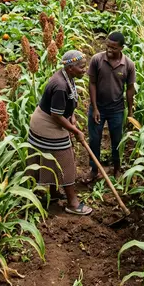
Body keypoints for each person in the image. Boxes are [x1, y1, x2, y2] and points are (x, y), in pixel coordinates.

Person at [28, 50, 92, 216]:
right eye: (81, 67)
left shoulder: (67, 77)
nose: (84, 69)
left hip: (52, 120)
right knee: (65, 161)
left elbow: (67, 105)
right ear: (70, 68)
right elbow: (56, 115)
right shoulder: (60, 86)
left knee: (55, 158)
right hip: (46, 124)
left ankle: (55, 192)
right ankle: (72, 203)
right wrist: (75, 131)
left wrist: (72, 117)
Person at [88, 32, 136, 181]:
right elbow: (92, 83)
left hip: (117, 109)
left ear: (121, 48)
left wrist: (130, 111)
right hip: (98, 108)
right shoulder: (97, 60)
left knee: (117, 140)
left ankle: (116, 168)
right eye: (108, 46)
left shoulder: (128, 65)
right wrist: (95, 108)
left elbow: (129, 89)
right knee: (94, 140)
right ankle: (94, 169)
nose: (109, 50)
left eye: (113, 48)